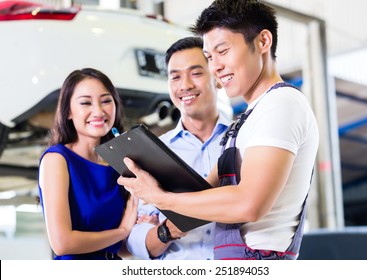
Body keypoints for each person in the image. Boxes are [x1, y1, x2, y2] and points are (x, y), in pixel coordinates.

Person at [119, 0, 319, 260]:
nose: (216, 67)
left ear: (263, 42)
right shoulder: (247, 118)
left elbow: (249, 204)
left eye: (223, 51)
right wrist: (157, 211)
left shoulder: (281, 104)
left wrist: (161, 198)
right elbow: (204, 194)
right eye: (210, 57)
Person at [127, 36, 231, 260]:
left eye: (196, 73)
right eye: (175, 77)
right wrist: (167, 230)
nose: (185, 85)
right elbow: (137, 241)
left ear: (218, 78)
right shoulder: (154, 151)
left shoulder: (242, 141)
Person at [38, 68, 138, 260]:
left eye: (106, 101)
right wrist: (123, 230)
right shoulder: (57, 159)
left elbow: (120, 249)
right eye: (85, 102)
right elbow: (62, 243)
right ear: (68, 112)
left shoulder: (120, 164)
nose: (98, 111)